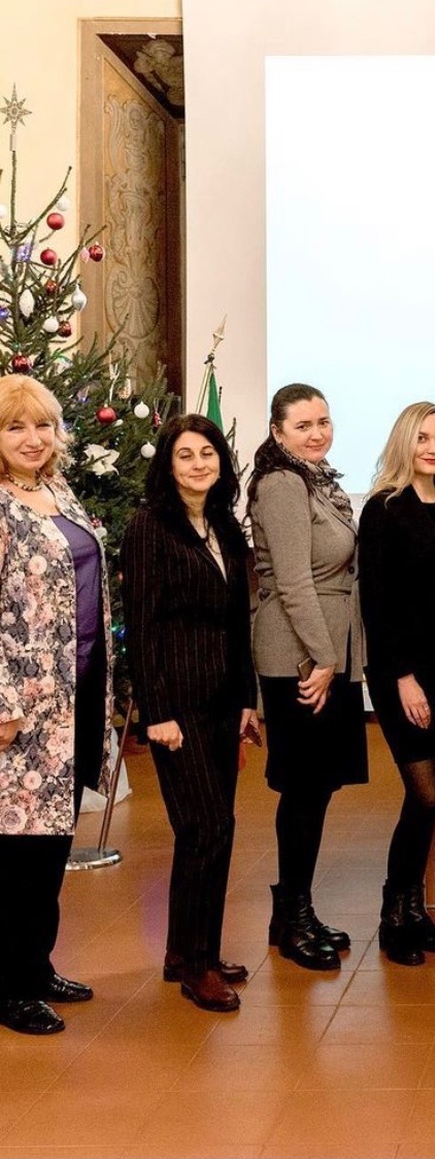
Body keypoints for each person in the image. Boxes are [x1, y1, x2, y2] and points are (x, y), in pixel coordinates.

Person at [121, 415, 259, 1012]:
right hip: (176, 707)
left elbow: (237, 622)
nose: (199, 463)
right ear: (168, 466)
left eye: (208, 452)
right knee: (206, 828)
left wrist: (249, 698)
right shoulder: (150, 527)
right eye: (186, 455)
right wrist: (155, 710)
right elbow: (143, 628)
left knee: (213, 828)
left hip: (224, 701)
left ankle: (188, 950)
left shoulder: (225, 525)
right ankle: (196, 968)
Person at [0, 376, 112, 1035]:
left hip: (77, 693)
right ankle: (9, 984)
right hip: (21, 711)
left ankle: (35, 963)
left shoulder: (57, 490)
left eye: (42, 425)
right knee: (16, 851)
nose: (33, 438)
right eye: (16, 427)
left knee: (52, 841)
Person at [248, 383, 367, 971]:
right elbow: (292, 582)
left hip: (329, 651)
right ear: (278, 433)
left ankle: (295, 909)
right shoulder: (281, 484)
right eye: (303, 425)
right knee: (302, 787)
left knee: (316, 788)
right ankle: (291, 917)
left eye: (324, 421)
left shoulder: (318, 480)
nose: (317, 432)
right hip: (300, 654)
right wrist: (322, 660)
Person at [359, 402, 435, 966]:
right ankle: (392, 913)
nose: (434, 447)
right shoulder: (383, 509)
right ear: (405, 441)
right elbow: (376, 605)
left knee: (433, 798)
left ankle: (416, 911)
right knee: (424, 793)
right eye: (423, 437)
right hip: (402, 674)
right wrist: (403, 679)